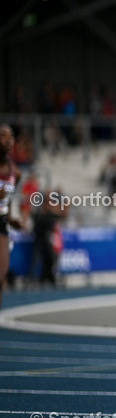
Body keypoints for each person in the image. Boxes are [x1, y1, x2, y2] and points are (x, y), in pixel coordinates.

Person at [0, 125, 23, 309]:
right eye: (3, 136)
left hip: (1, 225)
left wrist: (12, 219)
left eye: (11, 136)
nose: (8, 140)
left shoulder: (16, 172)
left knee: (1, 275)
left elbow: (7, 203)